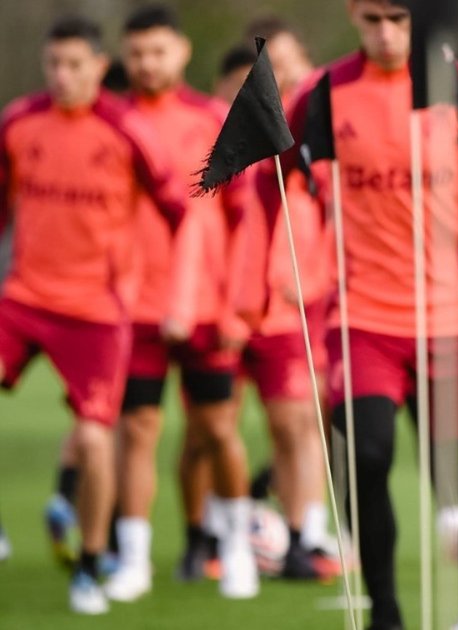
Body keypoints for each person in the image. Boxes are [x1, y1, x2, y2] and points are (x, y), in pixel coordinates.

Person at [274, 1, 458, 627]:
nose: (386, 33)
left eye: (399, 19)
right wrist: (280, 257)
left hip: (457, 319)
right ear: (354, 13)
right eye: (373, 18)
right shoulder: (322, 93)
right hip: (364, 320)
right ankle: (384, 610)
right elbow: (275, 171)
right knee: (368, 456)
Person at [0, 15, 188, 615]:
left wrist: (180, 290)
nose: (62, 76)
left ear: (100, 67)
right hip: (24, 297)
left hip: (96, 312)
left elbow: (180, 211)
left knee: (95, 436)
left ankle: (90, 563)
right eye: (54, 64)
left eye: (75, 65)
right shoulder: (18, 121)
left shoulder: (126, 129)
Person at [107, 4, 257, 601]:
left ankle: (239, 549)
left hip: (204, 304)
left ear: (182, 52)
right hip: (134, 308)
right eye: (137, 53)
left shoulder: (215, 119)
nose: (148, 63)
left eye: (158, 51)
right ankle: (135, 559)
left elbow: (246, 220)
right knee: (137, 429)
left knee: (219, 430)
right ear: (124, 56)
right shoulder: (111, 122)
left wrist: (236, 305)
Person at [230, 16, 338, 580]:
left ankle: (306, 533)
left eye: (289, 64)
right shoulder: (242, 137)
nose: (281, 78)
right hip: (249, 296)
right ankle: (237, 527)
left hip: (306, 292)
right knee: (272, 422)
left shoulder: (323, 123)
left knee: (304, 418)